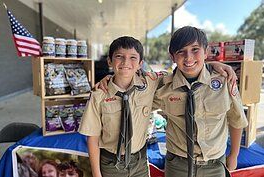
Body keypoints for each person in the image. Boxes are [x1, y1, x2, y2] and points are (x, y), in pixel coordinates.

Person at [153, 26, 248, 177]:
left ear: (207, 51)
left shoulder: (224, 80)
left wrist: (234, 155)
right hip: (178, 164)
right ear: (173, 57)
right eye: (181, 52)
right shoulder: (163, 86)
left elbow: (236, 120)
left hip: (215, 164)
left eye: (195, 49)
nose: (188, 57)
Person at [79, 36, 162, 177]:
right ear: (109, 61)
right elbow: (92, 137)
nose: (125, 62)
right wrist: (96, 174)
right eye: (119, 56)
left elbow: (176, 76)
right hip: (111, 164)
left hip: (139, 162)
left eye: (133, 58)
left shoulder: (149, 84)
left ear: (140, 63)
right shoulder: (99, 95)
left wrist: (212, 65)